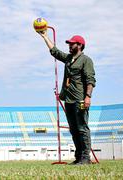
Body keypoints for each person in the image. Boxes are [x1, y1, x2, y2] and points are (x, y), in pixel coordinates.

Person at [37, 30, 96, 165]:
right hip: (68, 99)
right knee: (74, 130)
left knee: (82, 128)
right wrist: (45, 36)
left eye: (72, 44)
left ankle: (86, 158)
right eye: (69, 44)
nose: (69, 45)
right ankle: (79, 157)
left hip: (80, 99)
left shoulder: (86, 60)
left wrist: (88, 97)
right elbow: (55, 51)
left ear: (80, 45)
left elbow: (90, 80)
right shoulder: (69, 59)